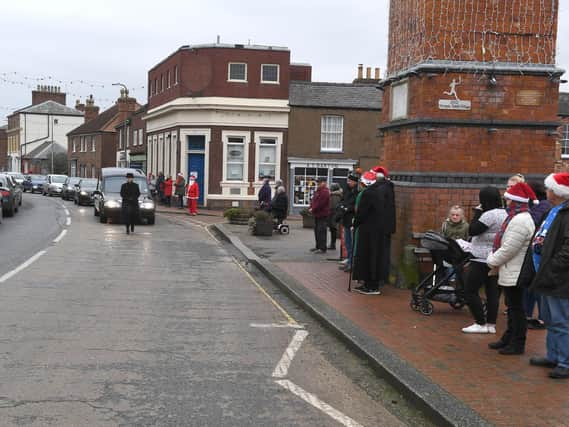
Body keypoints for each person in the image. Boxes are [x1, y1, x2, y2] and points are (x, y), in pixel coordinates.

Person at [518, 172, 569, 379]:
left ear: (557, 192)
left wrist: (552, 269)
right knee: (549, 319)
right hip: (544, 275)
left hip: (557, 278)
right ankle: (553, 355)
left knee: (561, 321)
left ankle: (565, 361)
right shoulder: (554, 211)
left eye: (549, 188)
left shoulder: (566, 214)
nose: (546, 191)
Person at [486, 183, 536, 355]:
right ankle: (509, 338)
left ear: (516, 201)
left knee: (516, 309)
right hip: (512, 269)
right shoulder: (517, 218)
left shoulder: (520, 221)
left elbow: (509, 248)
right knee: (512, 307)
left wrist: (491, 260)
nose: (506, 201)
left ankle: (517, 343)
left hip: (515, 270)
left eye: (508, 199)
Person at [462, 187, 507, 334]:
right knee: (493, 293)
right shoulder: (505, 213)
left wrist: (478, 212)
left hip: (481, 259)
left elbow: (472, 230)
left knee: (470, 290)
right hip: (496, 258)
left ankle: (480, 322)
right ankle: (491, 324)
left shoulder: (488, 215)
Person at [352, 171, 388, 295]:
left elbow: (361, 213)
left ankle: (370, 286)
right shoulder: (379, 192)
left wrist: (355, 223)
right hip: (378, 231)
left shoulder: (367, 194)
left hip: (368, 231)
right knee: (374, 257)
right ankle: (371, 284)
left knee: (367, 256)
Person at [524, 181, 553, 330]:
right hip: (534, 251)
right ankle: (528, 315)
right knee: (529, 286)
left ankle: (542, 318)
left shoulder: (544, 206)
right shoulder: (538, 205)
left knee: (538, 287)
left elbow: (533, 222)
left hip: (541, 255)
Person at [373, 166, 396, 285]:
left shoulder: (381, 189)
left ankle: (381, 277)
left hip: (381, 227)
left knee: (381, 252)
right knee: (384, 252)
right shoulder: (388, 187)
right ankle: (383, 276)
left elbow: (378, 208)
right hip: (386, 226)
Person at [338, 171, 359, 272]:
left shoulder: (356, 192)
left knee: (351, 243)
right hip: (345, 220)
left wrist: (347, 208)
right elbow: (342, 200)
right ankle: (349, 261)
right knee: (347, 243)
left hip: (351, 221)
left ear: (355, 182)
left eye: (350, 181)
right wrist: (342, 206)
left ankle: (352, 263)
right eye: (348, 180)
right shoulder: (347, 190)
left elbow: (354, 205)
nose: (348, 182)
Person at [309, 177, 330, 254]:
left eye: (319, 182)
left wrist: (313, 208)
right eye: (317, 182)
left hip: (322, 214)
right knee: (317, 231)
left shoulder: (324, 192)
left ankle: (322, 248)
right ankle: (318, 246)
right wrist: (311, 206)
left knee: (321, 231)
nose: (318, 184)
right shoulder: (318, 191)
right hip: (317, 214)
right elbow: (314, 200)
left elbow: (320, 203)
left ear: (324, 183)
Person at [327, 183, 343, 250]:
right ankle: (332, 244)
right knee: (333, 229)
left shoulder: (335, 196)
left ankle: (333, 244)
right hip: (334, 214)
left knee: (333, 229)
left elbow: (333, 206)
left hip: (334, 215)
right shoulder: (335, 195)